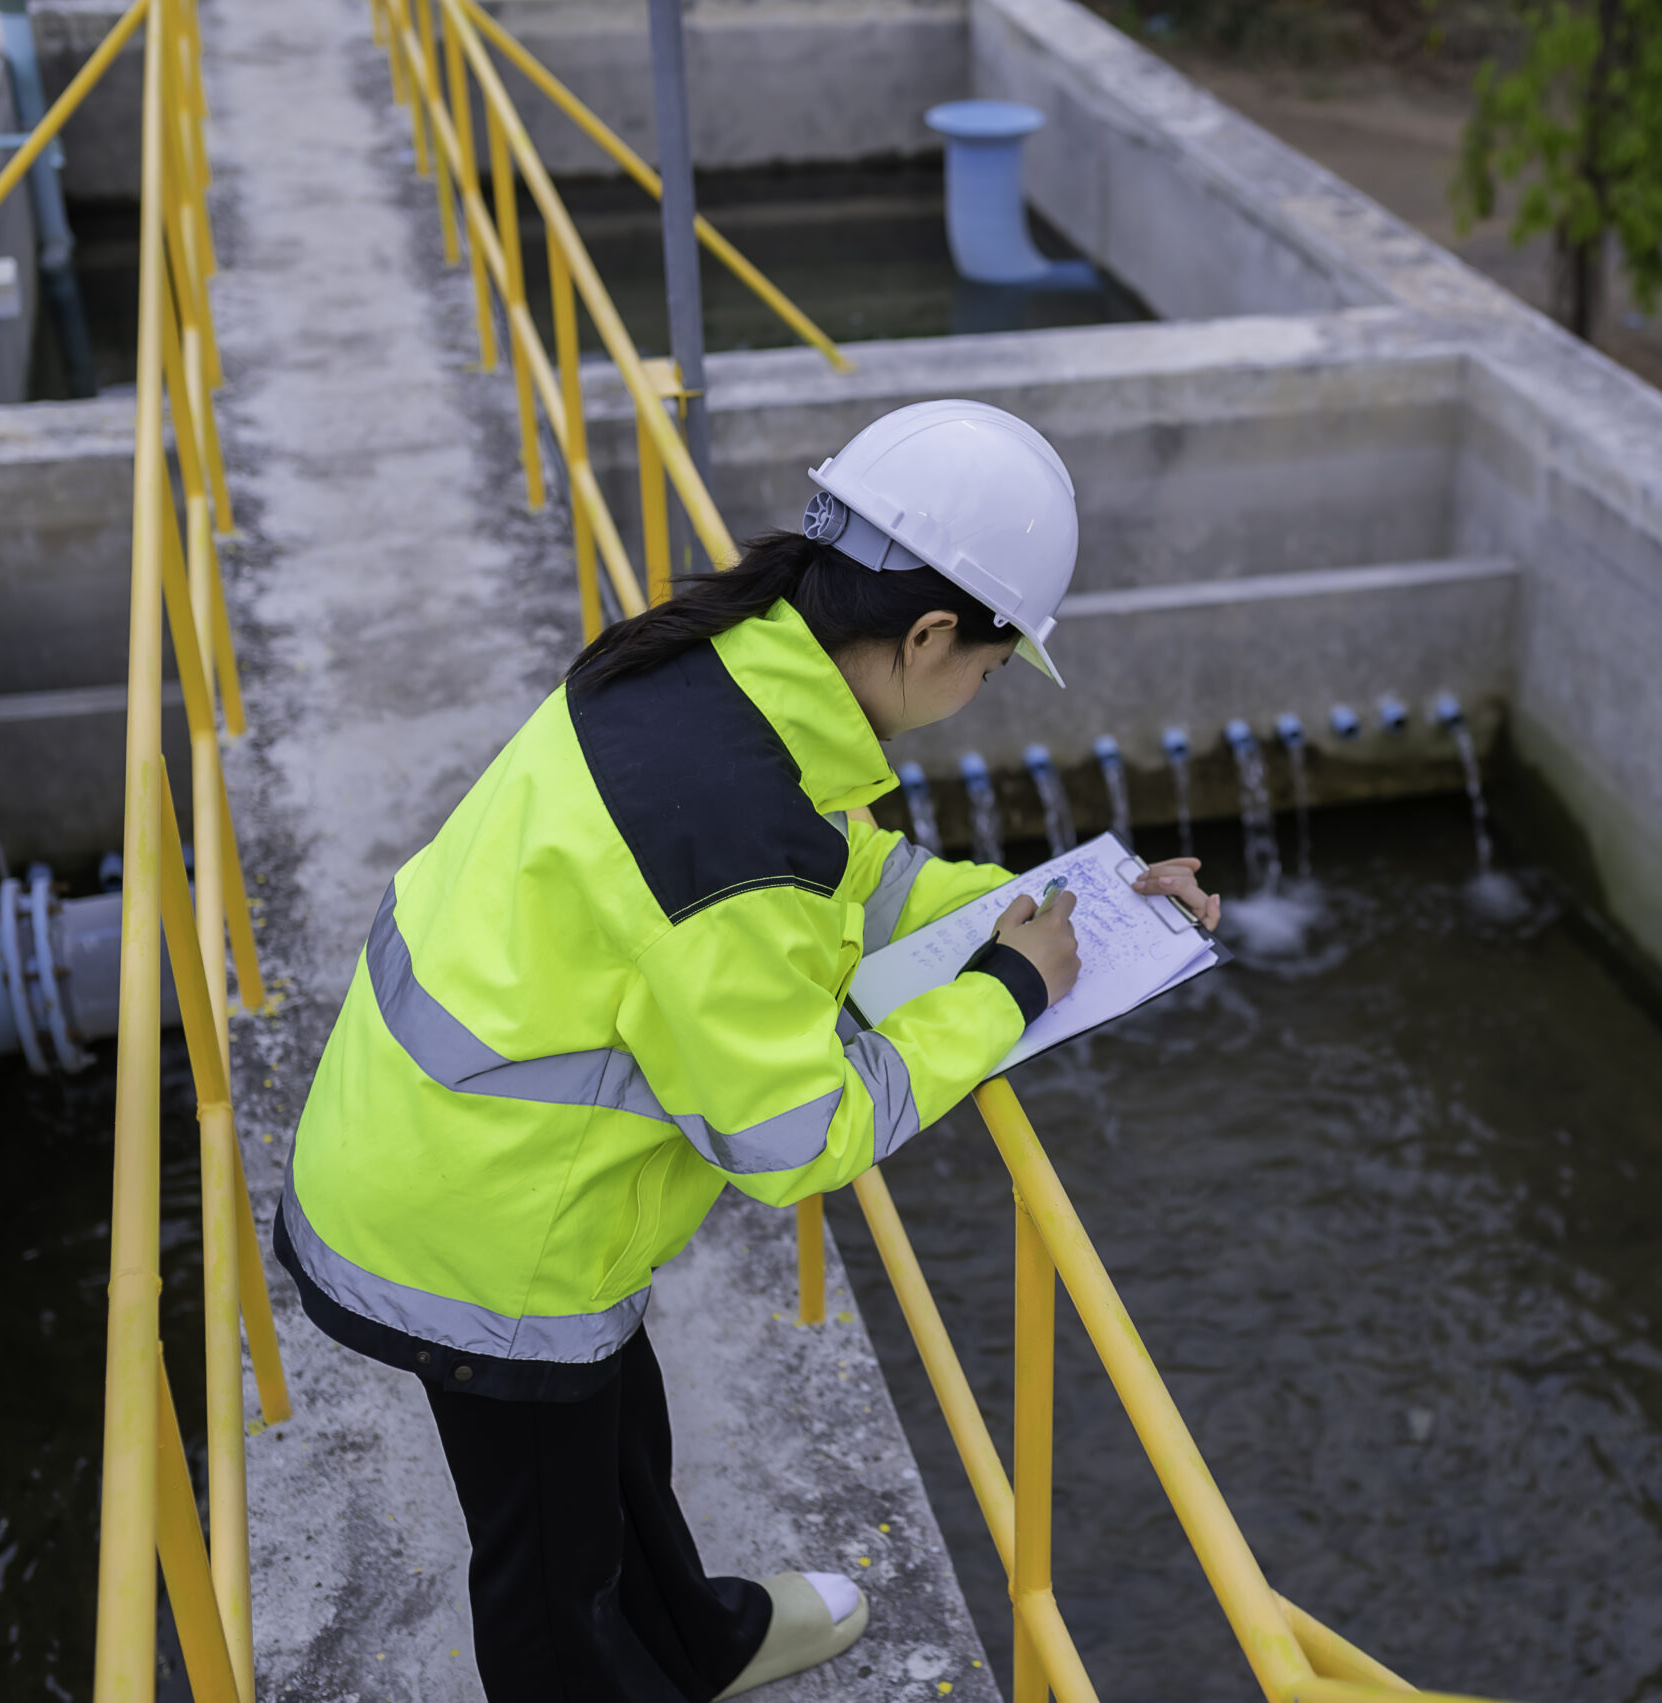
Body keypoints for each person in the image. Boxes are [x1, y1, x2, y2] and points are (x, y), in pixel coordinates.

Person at [272, 400, 1222, 1701]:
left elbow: (852, 879)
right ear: (933, 634)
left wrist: (1062, 901)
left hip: (474, 1154)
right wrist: (1006, 990)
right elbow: (799, 1138)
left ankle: (695, 1640)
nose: (980, 695)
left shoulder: (728, 673)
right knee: (551, 1591)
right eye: (993, 670)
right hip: (470, 1229)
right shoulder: (732, 819)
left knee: (619, 1439)